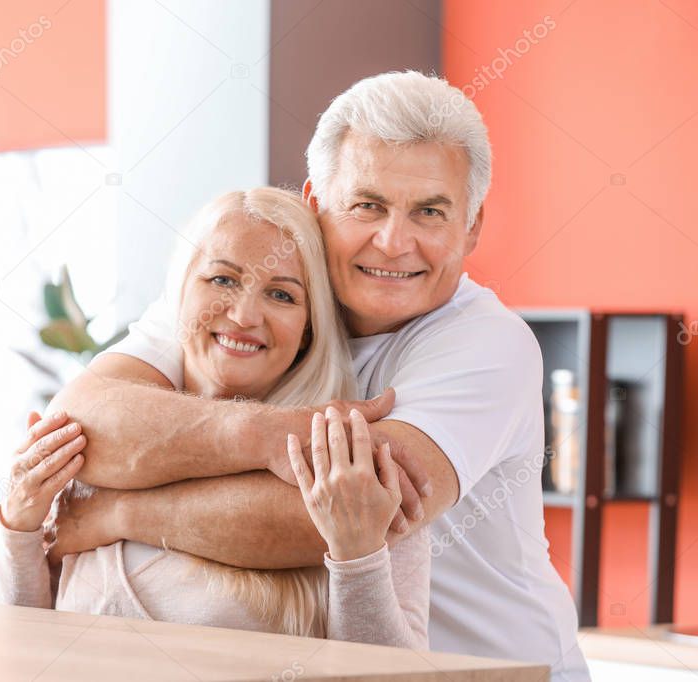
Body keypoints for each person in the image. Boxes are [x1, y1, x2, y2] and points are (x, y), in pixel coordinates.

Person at [37, 72, 590, 681]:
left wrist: (116, 516)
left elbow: (330, 516)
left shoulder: (487, 345)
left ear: (473, 227)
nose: (393, 242)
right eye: (366, 205)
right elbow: (79, 424)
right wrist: (273, 437)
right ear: (315, 201)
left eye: (430, 212)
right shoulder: (254, 295)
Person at [0, 188, 429, 649]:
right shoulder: (99, 449)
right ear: (178, 295)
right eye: (222, 280)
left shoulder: (352, 466)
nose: (243, 315)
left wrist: (357, 556)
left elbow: (396, 673)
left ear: (307, 331)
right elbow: (17, 653)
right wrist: (18, 528)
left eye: (281, 294)